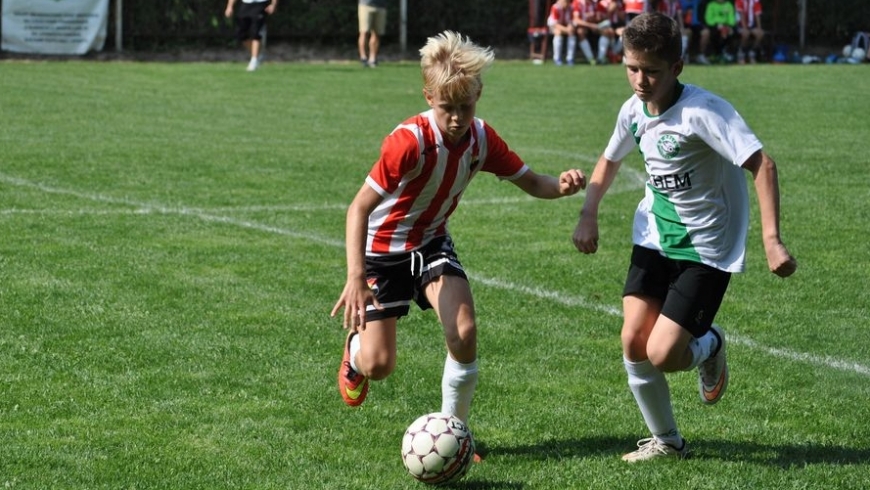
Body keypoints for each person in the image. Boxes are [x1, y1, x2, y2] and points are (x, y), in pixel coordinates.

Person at [331, 31, 586, 439]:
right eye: (447, 107)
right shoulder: (408, 143)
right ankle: (354, 352)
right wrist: (356, 276)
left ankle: (455, 433)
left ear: (478, 95)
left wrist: (562, 185)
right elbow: (358, 208)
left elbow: (533, 182)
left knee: (464, 332)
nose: (456, 118)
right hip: (383, 251)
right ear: (428, 97)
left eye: (464, 107)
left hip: (431, 243)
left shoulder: (482, 139)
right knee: (379, 365)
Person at [572, 12, 797, 462]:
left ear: (677, 67)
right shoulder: (633, 110)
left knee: (663, 354)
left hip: (705, 249)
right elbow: (609, 160)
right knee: (633, 340)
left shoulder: (703, 112)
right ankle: (668, 443)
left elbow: (762, 165)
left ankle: (710, 343)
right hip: (653, 235)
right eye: (632, 68)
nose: (640, 80)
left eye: (651, 71)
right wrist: (588, 214)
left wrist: (772, 239)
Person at [224, 0, 277, 72]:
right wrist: (229, 6)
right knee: (241, 35)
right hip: (246, 4)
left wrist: (273, 4)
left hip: (261, 4)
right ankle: (259, 54)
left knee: (255, 33)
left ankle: (254, 61)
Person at [572, 0, 616, 65]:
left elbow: (598, 17)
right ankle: (590, 58)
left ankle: (601, 58)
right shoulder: (577, 3)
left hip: (594, 26)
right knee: (580, 32)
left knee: (608, 31)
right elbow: (576, 20)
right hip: (584, 26)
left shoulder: (594, 3)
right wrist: (590, 25)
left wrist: (596, 18)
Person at [358, 0, 388, 68]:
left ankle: (372, 59)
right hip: (365, 5)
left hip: (381, 6)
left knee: (377, 33)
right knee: (364, 32)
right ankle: (363, 58)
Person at [549, 0, 578, 65]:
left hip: (566, 25)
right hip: (554, 26)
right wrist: (566, 29)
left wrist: (570, 27)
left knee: (572, 33)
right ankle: (557, 58)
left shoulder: (571, 7)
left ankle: (570, 58)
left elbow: (572, 20)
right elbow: (555, 24)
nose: (566, 4)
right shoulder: (555, 7)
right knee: (558, 33)